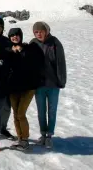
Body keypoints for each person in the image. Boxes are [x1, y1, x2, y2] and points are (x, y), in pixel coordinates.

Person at [6, 28, 45, 151]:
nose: (14, 37)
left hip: (28, 87)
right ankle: (20, 138)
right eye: (12, 36)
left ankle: (25, 140)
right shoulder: (7, 50)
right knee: (15, 114)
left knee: (21, 114)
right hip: (13, 88)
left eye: (17, 35)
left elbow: (35, 62)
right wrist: (11, 51)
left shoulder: (29, 48)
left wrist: (22, 51)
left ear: (21, 36)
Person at [30, 21, 67, 149]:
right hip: (39, 85)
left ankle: (49, 135)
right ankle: (43, 134)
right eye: (36, 32)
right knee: (41, 111)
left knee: (52, 111)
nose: (38, 34)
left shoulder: (55, 43)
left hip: (53, 84)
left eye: (41, 31)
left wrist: (61, 81)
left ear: (46, 31)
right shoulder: (33, 43)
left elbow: (61, 63)